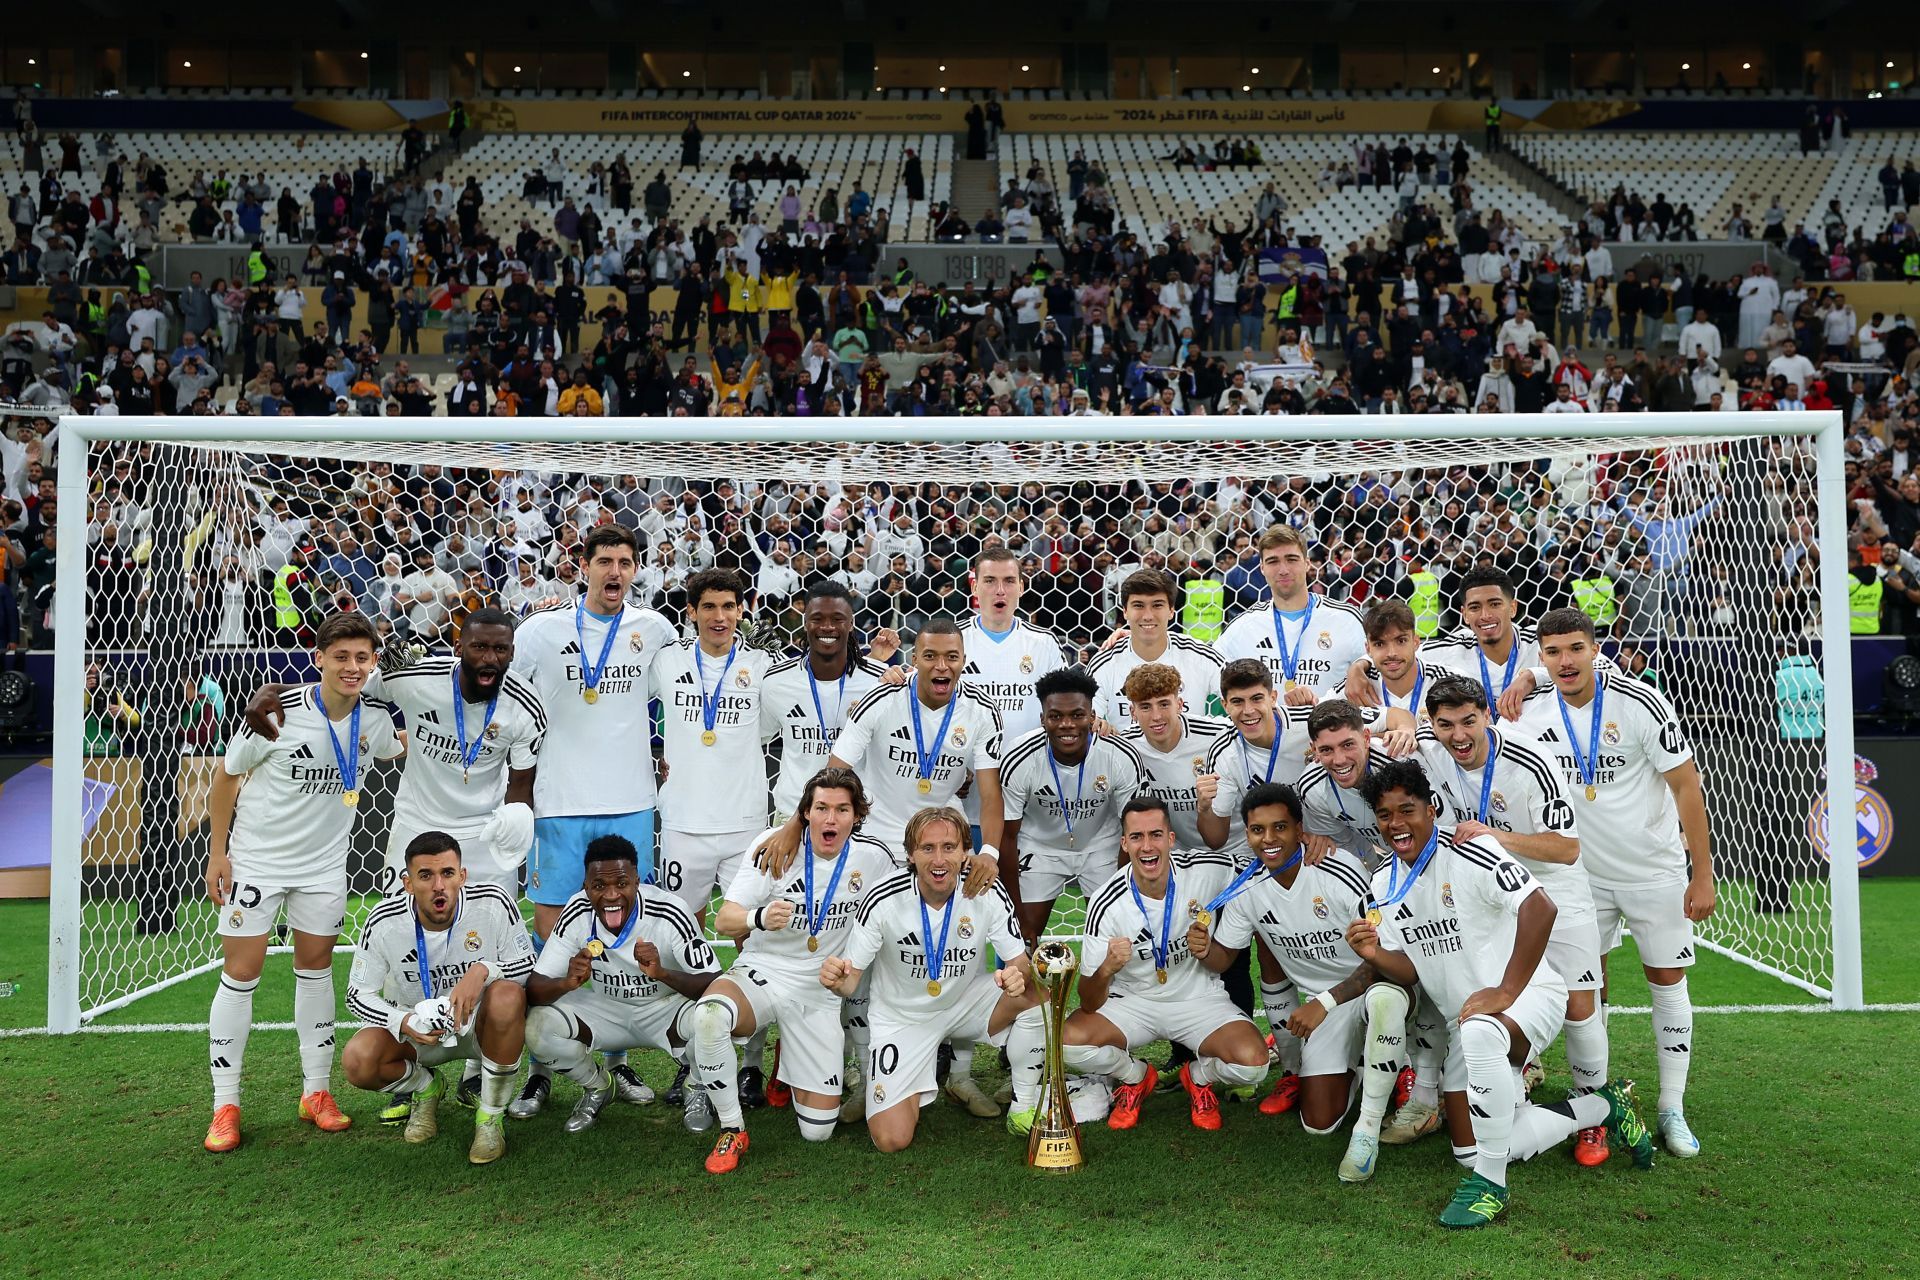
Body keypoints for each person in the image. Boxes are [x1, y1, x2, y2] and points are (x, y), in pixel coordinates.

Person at [241, 606, 545, 1122]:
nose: (490, 659)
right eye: (479, 647)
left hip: (484, 843)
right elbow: (344, 683)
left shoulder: (525, 709)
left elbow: (521, 789)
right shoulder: (415, 678)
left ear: (513, 652)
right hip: (415, 836)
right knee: (402, 943)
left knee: (492, 958)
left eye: (501, 649)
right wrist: (274, 691)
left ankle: (477, 1074)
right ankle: (413, 1071)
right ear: (459, 643)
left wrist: (516, 827)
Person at [1340, 759, 1653, 1228]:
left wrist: (1507, 990)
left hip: (1527, 997)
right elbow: (1411, 967)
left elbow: (1540, 907)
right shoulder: (1383, 883)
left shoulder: (1472, 852)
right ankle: (1606, 1105)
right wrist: (1375, 954)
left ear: (1432, 809)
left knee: (1482, 1037)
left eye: (1407, 810)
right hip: (1467, 1020)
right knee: (1472, 1148)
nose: (1396, 824)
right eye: (1385, 815)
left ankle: (1491, 1188)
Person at [201, 612, 406, 1153]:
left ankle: (316, 1093)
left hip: (322, 867)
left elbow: (404, 743)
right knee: (241, 973)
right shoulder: (277, 711)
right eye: (341, 657)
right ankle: (226, 1104)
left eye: (363, 657)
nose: (352, 667)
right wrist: (217, 853)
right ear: (319, 660)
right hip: (257, 863)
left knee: (315, 971)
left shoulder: (376, 720)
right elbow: (226, 777)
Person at [1513, 608, 1712, 1160]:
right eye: (1552, 653)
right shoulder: (1530, 711)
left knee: (1666, 983)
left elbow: (1686, 788)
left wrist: (1702, 874)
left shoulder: (1641, 702)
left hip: (1653, 870)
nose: (1565, 661)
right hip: (1579, 879)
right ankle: (1593, 1103)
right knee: (1587, 990)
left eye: (1575, 648)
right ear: (1542, 657)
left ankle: (1671, 1106)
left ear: (1595, 649)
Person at [507, 523, 678, 1118]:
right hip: (559, 805)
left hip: (631, 802)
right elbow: (507, 701)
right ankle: (542, 1068)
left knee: (627, 933)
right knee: (553, 939)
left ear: (637, 570)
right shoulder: (539, 631)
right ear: (581, 565)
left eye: (626, 562)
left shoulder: (655, 630)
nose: (614, 572)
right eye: (604, 560)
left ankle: (618, 1062)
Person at [1418, 674, 1608, 1165]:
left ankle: (1598, 1114)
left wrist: (1496, 838)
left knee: (1579, 1007)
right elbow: (1377, 727)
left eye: (1468, 721)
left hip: (1554, 892)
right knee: (1494, 1003)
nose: (1458, 735)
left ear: (1486, 715)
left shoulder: (1529, 759)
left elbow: (1567, 849)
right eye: (1445, 725)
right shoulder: (1429, 750)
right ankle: (1513, 1099)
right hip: (1487, 896)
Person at [1005, 796, 1266, 1134]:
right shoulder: (1106, 901)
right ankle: (1136, 1077)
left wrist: (1308, 840)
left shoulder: (1205, 869)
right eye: (1137, 837)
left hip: (1198, 998)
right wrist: (1106, 969)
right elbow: (1088, 1001)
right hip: (1134, 1003)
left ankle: (1198, 1077)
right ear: (1124, 843)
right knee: (1065, 1043)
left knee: (1254, 1064)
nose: (1148, 846)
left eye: (1156, 835)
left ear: (1171, 839)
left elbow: (1258, 865)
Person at [699, 768, 898, 1172]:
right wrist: (758, 918)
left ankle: (787, 1058)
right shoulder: (773, 847)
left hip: (820, 992)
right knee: (709, 1016)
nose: (831, 819)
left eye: (842, 810)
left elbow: (896, 914)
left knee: (818, 1130)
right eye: (821, 808)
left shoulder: (874, 859)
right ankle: (733, 1128)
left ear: (856, 816)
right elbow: (724, 920)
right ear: (805, 813)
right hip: (765, 971)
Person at [1213, 783, 1406, 1180]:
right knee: (1318, 1123)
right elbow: (1223, 956)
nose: (1268, 839)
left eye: (1279, 827)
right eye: (1257, 830)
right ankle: (1359, 1066)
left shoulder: (1341, 871)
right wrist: (1202, 949)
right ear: (1246, 833)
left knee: (1386, 1000)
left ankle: (1403, 1069)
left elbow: (1386, 957)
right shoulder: (1245, 887)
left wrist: (1326, 1003)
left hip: (1371, 987)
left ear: (1301, 829)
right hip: (1326, 1007)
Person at [820, 805, 1036, 1152]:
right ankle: (910, 1080)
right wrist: (835, 979)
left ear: (966, 852)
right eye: (927, 848)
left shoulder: (986, 891)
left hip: (964, 1003)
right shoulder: (882, 898)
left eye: (949, 848)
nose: (939, 859)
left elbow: (1020, 964)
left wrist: (1016, 976)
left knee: (1038, 996)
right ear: (910, 855)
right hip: (903, 1018)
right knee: (891, 1139)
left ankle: (1026, 1103)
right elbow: (850, 981)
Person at [341, 831, 533, 1165]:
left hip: (480, 1029)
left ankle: (489, 1119)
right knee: (358, 1060)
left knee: (507, 995)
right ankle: (425, 1088)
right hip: (419, 1033)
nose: (438, 886)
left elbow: (529, 966)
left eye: (447, 873)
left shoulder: (492, 902)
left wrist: (484, 970)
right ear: (408, 883)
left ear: (462, 876)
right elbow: (357, 994)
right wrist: (403, 1021)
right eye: (425, 876)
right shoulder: (384, 920)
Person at [522, 833, 720, 1134]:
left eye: (622, 884)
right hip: (608, 1012)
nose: (611, 895)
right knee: (537, 1024)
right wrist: (567, 982)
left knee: (715, 1015)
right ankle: (599, 1086)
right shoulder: (576, 911)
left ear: (637, 881)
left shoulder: (670, 911)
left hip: (666, 1010)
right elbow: (535, 989)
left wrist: (663, 973)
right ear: (586, 886)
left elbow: (716, 984)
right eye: (599, 886)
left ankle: (697, 1086)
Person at [998, 667, 1151, 944]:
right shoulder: (1019, 758)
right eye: (1056, 716)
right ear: (1042, 719)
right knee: (1022, 939)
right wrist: (1016, 912)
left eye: (1077, 715)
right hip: (1039, 848)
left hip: (1101, 846)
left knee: (1116, 936)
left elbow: (1133, 830)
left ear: (1092, 716)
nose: (1067, 725)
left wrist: (1122, 895)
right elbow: (1006, 837)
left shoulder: (1121, 755)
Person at [758, 580, 897, 822]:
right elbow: (754, 737)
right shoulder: (777, 681)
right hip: (793, 815)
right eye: (818, 618)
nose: (827, 626)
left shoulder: (879, 682)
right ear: (805, 622)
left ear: (852, 623)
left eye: (837, 619)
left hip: (859, 818)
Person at [1216, 525, 1368, 698]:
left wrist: (1363, 663)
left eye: (1292, 559)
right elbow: (1208, 673)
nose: (1283, 570)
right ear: (1262, 568)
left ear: (1307, 563)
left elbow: (1383, 664)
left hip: (1332, 725)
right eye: (1273, 561)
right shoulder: (1243, 626)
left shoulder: (1345, 619)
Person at [1087, 567, 1225, 729]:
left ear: (1171, 611)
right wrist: (1097, 725)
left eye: (1157, 605)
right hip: (1124, 753)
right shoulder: (1105, 663)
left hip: (1190, 754)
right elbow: (1085, 718)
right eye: (1138, 605)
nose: (1148, 616)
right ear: (1125, 611)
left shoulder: (1200, 656)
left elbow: (1244, 694)